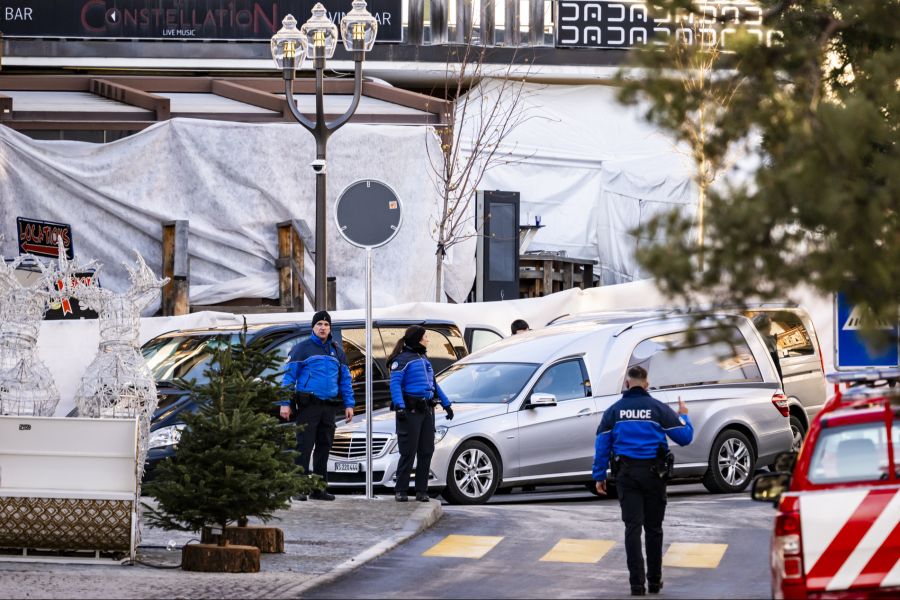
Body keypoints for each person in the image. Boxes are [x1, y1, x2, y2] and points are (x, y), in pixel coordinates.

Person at [592, 365, 693, 596]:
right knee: (654, 529)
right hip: (654, 476)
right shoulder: (658, 409)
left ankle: (636, 585)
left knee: (632, 529)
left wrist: (599, 475)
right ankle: (655, 582)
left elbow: (601, 445)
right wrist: (684, 414)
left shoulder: (614, 412)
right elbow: (685, 437)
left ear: (627, 384)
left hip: (626, 476)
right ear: (646, 385)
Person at [280, 310, 355, 501]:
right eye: (319, 324)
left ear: (330, 327)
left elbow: (345, 379)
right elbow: (289, 377)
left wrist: (349, 404)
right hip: (308, 406)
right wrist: (285, 403)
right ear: (313, 327)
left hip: (329, 407)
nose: (323, 328)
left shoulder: (337, 351)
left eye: (326, 324)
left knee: (324, 447)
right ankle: (299, 488)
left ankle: (319, 489)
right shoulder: (302, 348)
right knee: (304, 446)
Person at [388, 325, 454, 502]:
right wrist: (400, 406)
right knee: (408, 452)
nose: (427, 339)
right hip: (409, 411)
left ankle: (421, 490)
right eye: (425, 336)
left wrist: (446, 404)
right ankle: (401, 490)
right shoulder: (402, 360)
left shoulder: (424, 358)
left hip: (426, 412)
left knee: (426, 451)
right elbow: (394, 384)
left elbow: (434, 384)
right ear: (418, 338)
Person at [752, 313, 783, 381]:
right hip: (771, 380)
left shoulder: (752, 340)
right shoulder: (767, 341)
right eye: (770, 325)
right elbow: (774, 365)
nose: (771, 328)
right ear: (767, 327)